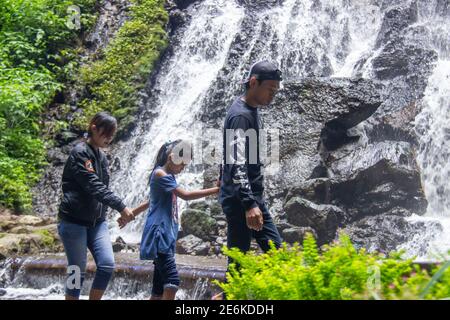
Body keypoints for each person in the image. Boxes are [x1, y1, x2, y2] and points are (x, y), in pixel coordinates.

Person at [216, 60, 283, 299]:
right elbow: (237, 163)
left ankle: (225, 298)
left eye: (276, 90)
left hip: (243, 198)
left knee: (239, 264)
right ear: (254, 83)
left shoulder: (247, 110)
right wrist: (249, 203)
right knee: (275, 254)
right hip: (242, 202)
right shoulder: (241, 116)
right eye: (270, 89)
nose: (273, 94)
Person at [121, 139, 219, 300]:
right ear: (171, 157)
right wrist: (216, 190)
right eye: (182, 164)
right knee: (172, 281)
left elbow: (151, 200)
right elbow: (185, 196)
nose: (183, 168)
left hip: (166, 235)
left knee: (158, 289)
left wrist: (130, 214)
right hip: (159, 234)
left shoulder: (168, 176)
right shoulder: (160, 174)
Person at [57, 112, 134, 300]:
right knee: (76, 271)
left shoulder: (102, 157)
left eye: (112, 135)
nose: (109, 138)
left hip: (97, 222)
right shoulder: (80, 152)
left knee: (107, 265)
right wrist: (121, 206)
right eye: (105, 133)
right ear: (94, 128)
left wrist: (114, 211)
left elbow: (103, 190)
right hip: (73, 221)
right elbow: (94, 186)